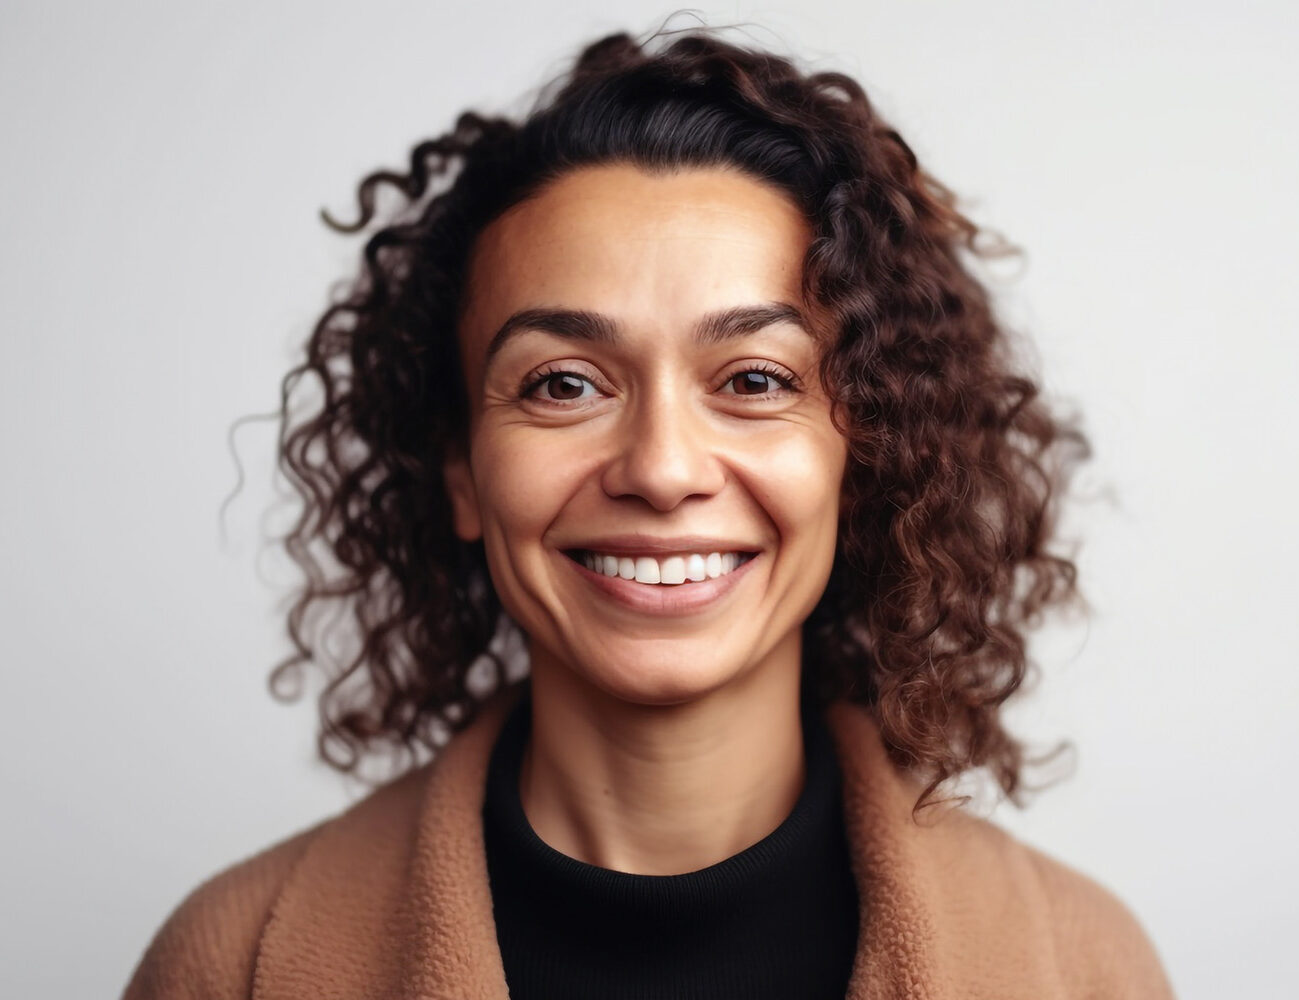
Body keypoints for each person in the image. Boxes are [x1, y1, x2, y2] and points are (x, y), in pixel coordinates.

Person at [121, 23, 1176, 1000]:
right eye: (564, 384)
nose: (663, 469)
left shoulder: (1080, 967)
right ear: (459, 471)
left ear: (868, 453)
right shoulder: (234, 964)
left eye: (756, 379)